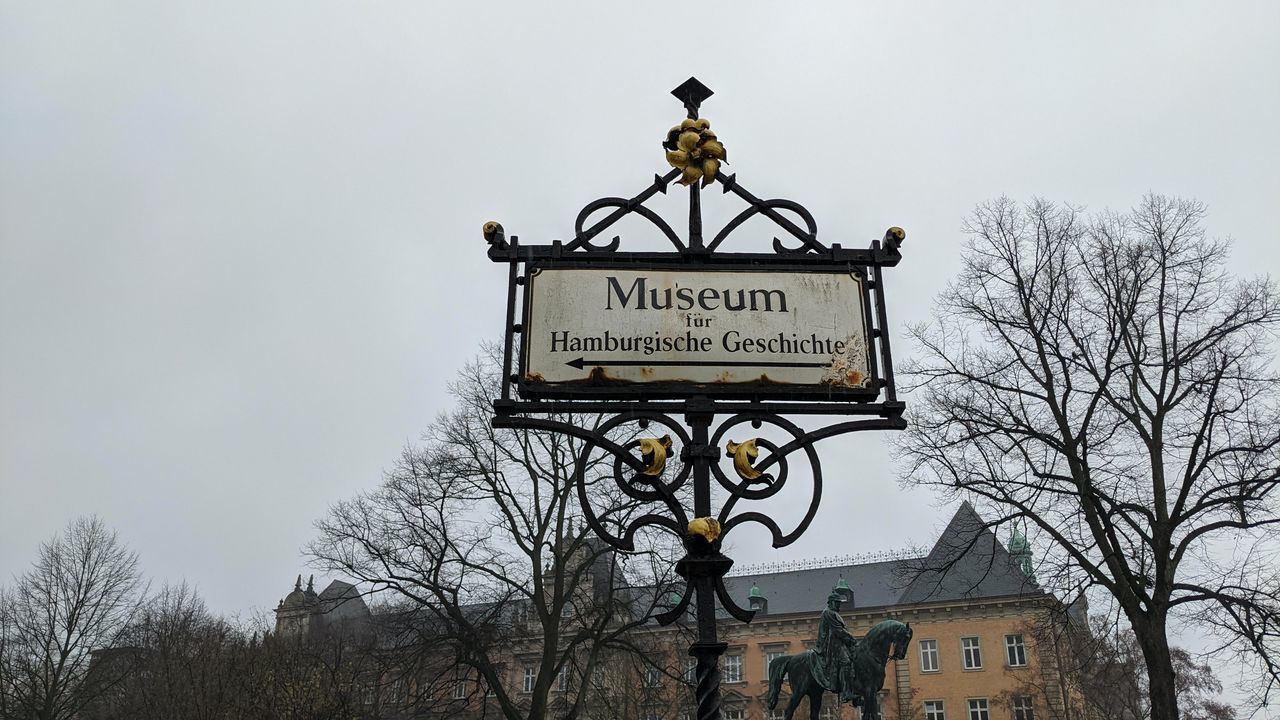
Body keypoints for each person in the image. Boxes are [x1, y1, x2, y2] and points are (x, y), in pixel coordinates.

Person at [812, 590, 859, 704]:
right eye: (837, 603)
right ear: (831, 602)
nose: (839, 605)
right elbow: (838, 631)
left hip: (838, 642)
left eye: (839, 602)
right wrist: (851, 639)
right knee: (846, 662)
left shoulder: (834, 613)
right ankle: (846, 692)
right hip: (830, 644)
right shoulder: (828, 613)